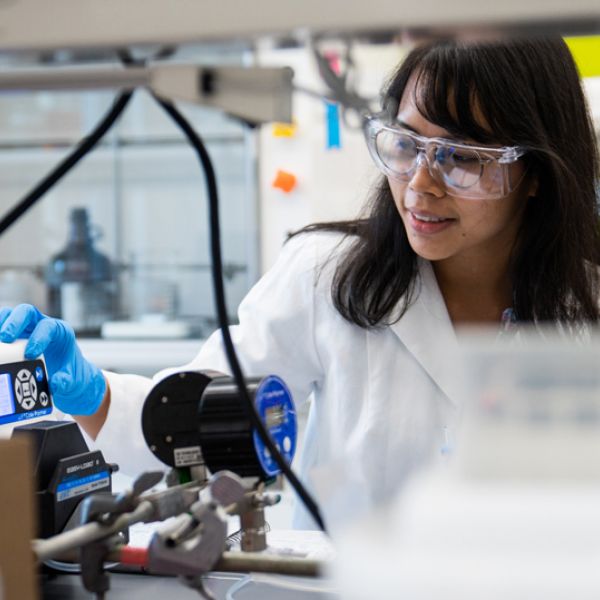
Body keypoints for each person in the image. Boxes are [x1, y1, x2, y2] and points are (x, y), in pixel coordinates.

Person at [1, 35, 598, 529]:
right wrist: (95, 397)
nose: (419, 186)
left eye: (461, 158)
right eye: (407, 144)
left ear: (536, 173)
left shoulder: (588, 306)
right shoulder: (329, 274)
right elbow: (200, 424)